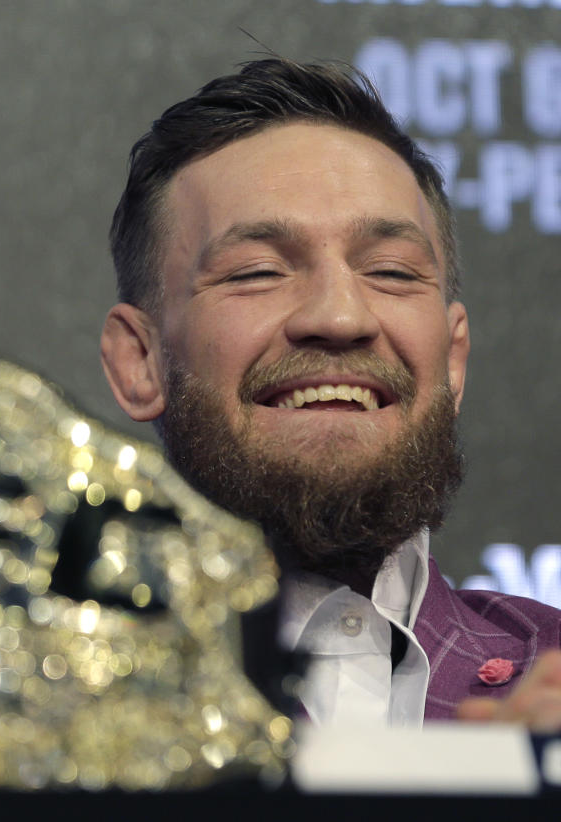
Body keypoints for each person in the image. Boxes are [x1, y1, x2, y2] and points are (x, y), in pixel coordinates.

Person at [99, 58, 561, 731]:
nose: (342, 317)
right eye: (258, 271)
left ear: (453, 359)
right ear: (141, 360)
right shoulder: (28, 711)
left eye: (391, 272)